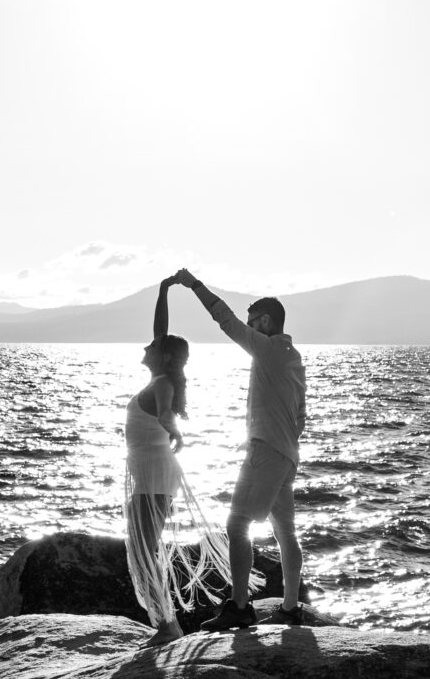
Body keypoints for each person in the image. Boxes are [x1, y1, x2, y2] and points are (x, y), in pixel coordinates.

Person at [170, 268, 306, 629]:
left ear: (264, 321)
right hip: (287, 454)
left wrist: (194, 285)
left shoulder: (269, 348)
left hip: (266, 451)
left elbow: (225, 321)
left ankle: (240, 607)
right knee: (285, 532)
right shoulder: (294, 358)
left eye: (253, 322)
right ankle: (291, 608)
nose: (249, 327)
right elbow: (301, 417)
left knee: (236, 523)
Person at [123, 281, 230, 639]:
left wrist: (176, 431)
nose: (145, 345)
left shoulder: (163, 384)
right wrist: (164, 291)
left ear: (164, 357)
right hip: (150, 473)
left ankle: (167, 626)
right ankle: (164, 623)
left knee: (144, 550)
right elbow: (160, 333)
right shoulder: (158, 375)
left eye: (152, 346)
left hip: (155, 474)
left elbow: (167, 413)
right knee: (142, 549)